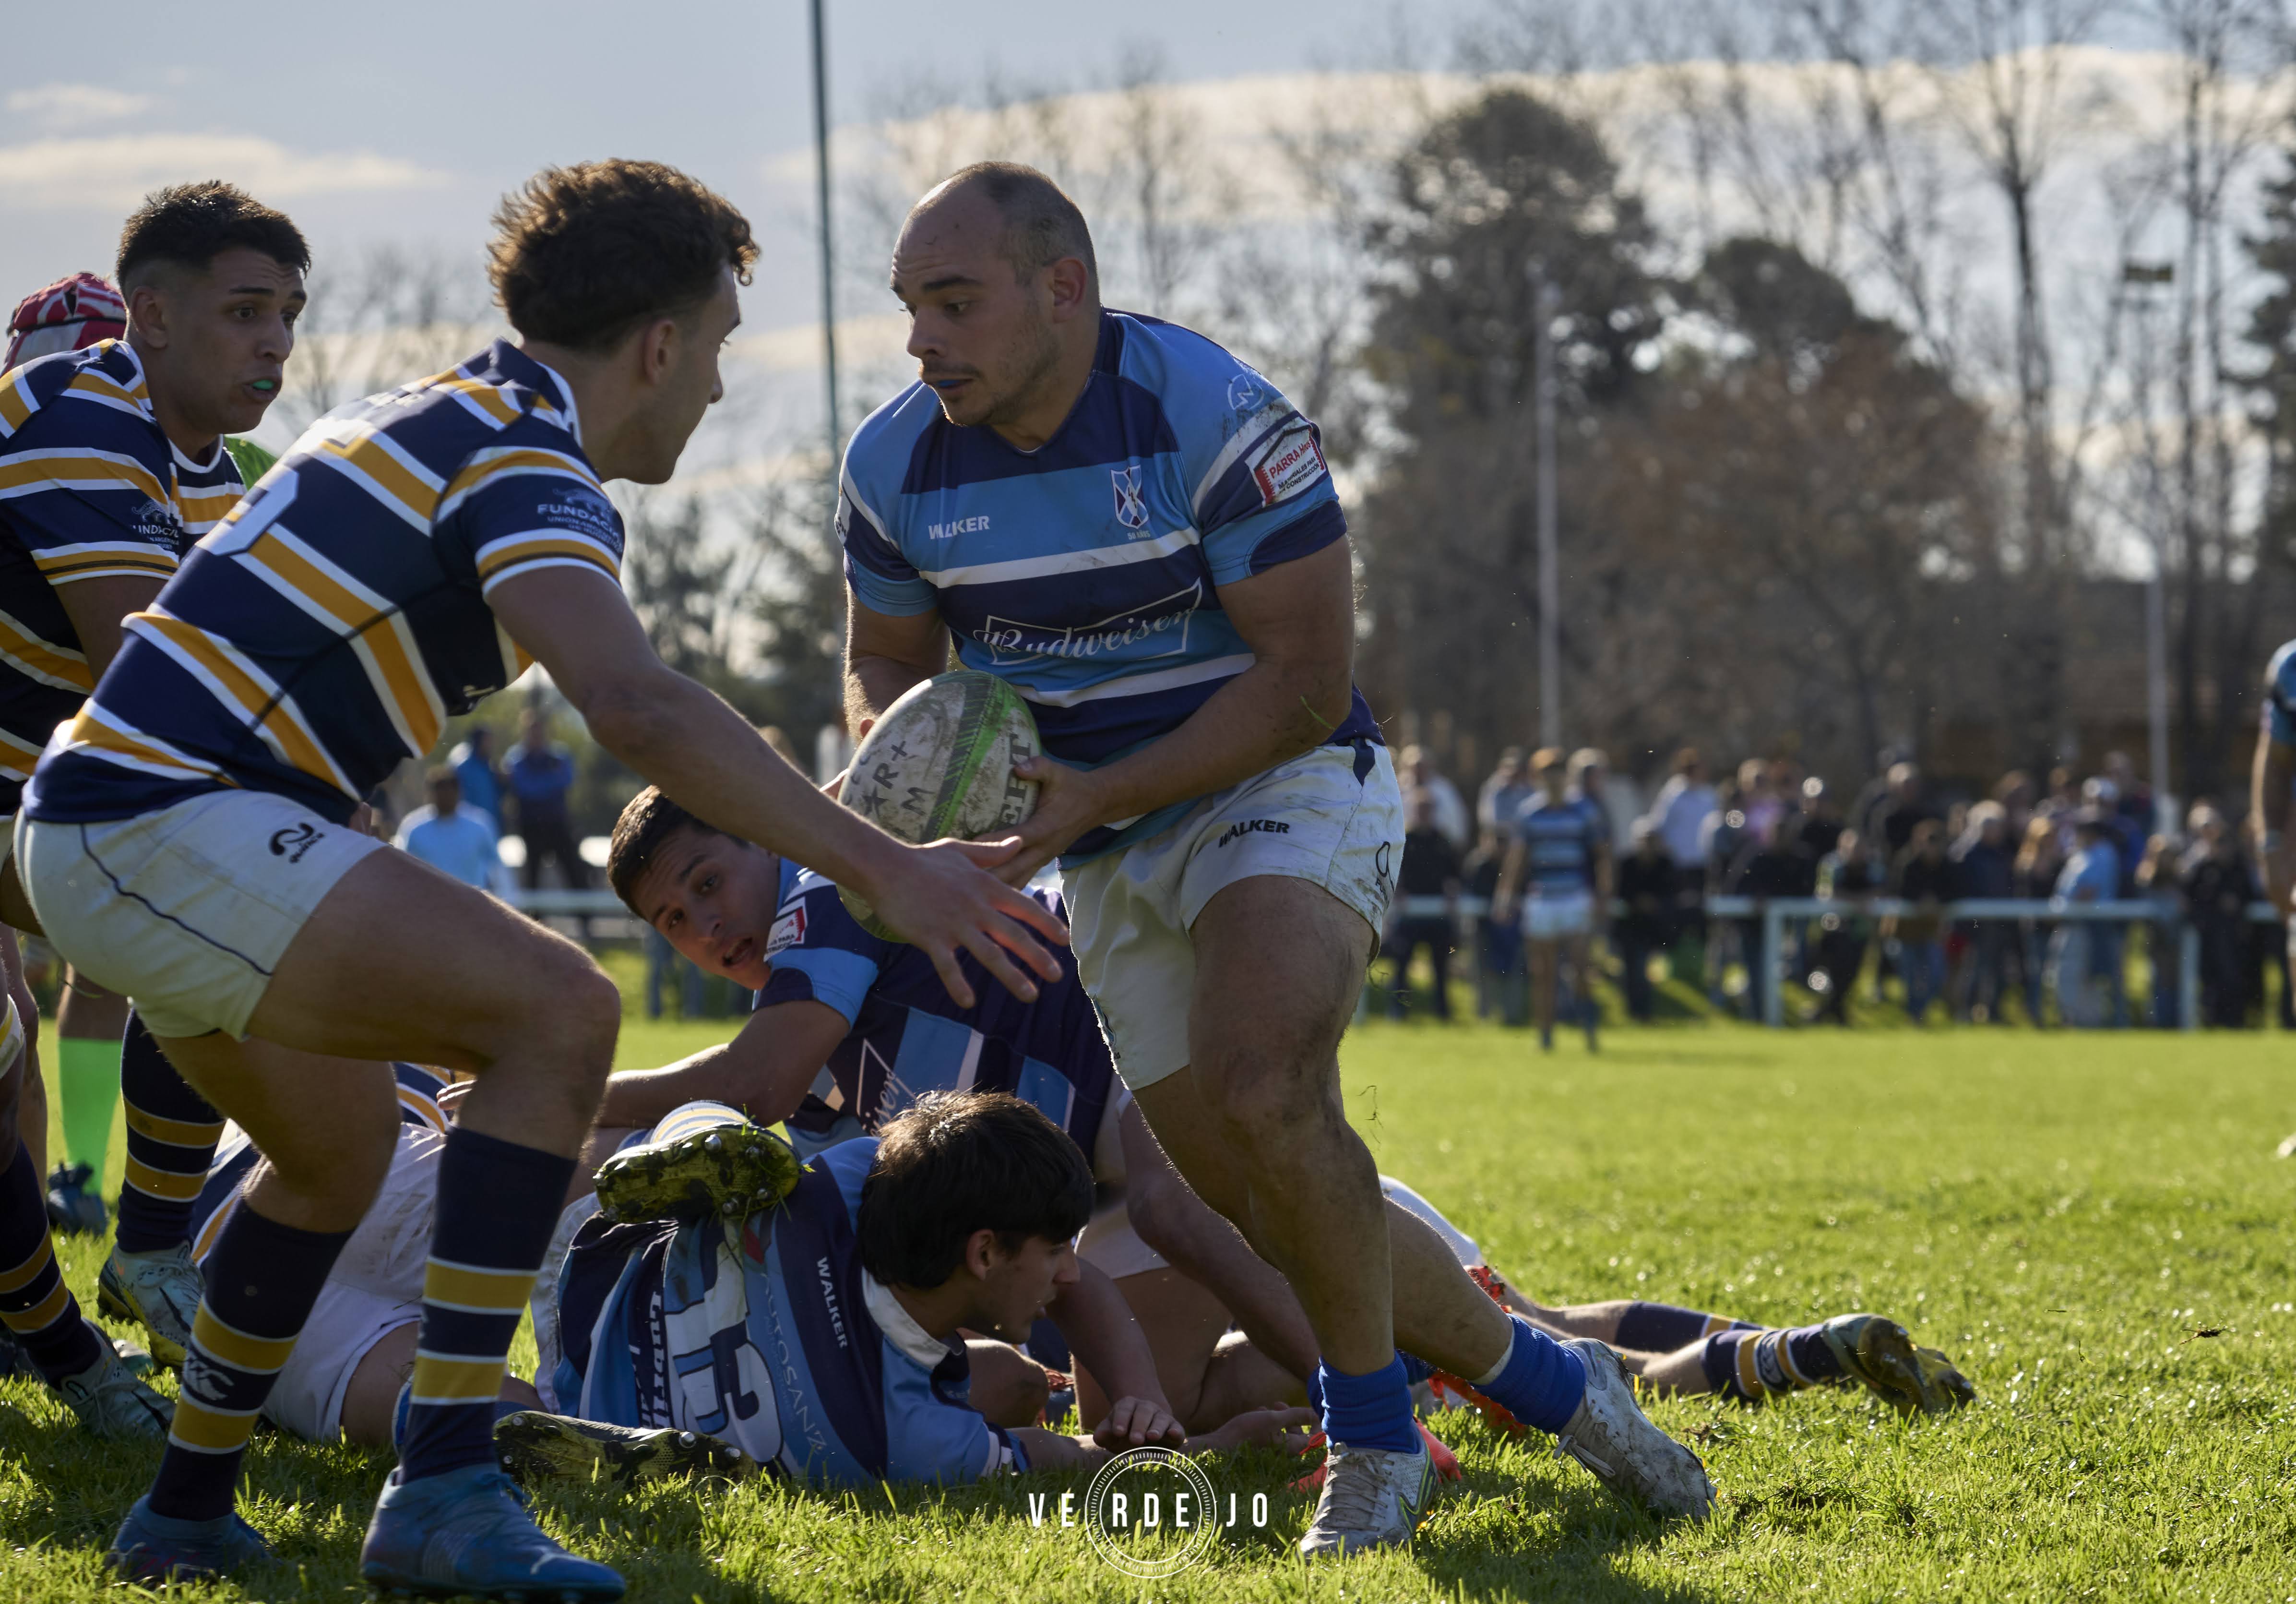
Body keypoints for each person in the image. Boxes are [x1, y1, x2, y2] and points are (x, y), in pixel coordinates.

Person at [20, 159, 1065, 1594]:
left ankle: (183, 1513)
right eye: (716, 347)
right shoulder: (525, 448)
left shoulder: (450, 413)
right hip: (160, 819)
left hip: (121, 826)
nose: (716, 387)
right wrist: (888, 867)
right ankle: (445, 1484)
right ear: (658, 345)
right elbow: (632, 705)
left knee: (331, 1162)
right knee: (561, 1011)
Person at [836, 161, 1711, 1554]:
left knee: (1265, 1085)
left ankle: (1373, 1442)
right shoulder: (895, 465)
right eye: (907, 306)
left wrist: (1090, 792)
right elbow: (883, 660)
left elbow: (1304, 678)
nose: (919, 339)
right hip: (1100, 842)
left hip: (1281, 780)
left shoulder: (1215, 417)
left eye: (953, 302)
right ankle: (1557, 1380)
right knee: (1254, 1197)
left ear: (1063, 289)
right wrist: (909, 758)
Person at [592, 790, 1973, 1440]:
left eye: (709, 880)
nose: (703, 923)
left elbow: (748, 1083)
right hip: (1149, 1189)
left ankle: (1381, 1412)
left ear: (767, 840)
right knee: (1505, 1330)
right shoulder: (821, 1035)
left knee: (1437, 1340)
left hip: (1168, 1115)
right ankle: (1774, 1350)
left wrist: (575, 1100)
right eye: (670, 917)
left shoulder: (828, 905)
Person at [0, 191, 339, 1444]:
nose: (275, 342)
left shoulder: (213, 468)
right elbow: (160, 689)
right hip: (40, 801)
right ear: (147, 314)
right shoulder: (81, 416)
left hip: (38, 801)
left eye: (288, 314)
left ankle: (143, 1251)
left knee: (223, 908)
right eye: (245, 311)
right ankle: (72, 1343)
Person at [515, 1091, 1313, 1490]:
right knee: (1016, 1386)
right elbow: (1064, 1455)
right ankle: (543, 1431)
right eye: (1056, 1251)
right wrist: (1206, 1446)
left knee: (1022, 1382)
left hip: (605, 1254)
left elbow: (1072, 1296)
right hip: (620, 1406)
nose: (1072, 1271)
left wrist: (1146, 1403)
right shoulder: (906, 1440)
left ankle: (700, 1138)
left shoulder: (852, 1180)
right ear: (983, 1252)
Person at [1496, 748, 1610, 1052]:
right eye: (1548, 774)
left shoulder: (1583, 810)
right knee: (1543, 972)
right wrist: (1505, 895)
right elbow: (1518, 859)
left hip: (1575, 897)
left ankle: (1588, 1028)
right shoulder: (1529, 813)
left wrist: (1603, 893)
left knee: (1581, 968)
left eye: (1559, 773)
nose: (1554, 780)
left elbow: (1601, 855)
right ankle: (1545, 1034)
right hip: (1542, 899)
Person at [1383, 790, 1461, 1020]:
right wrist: (1399, 890)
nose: (1425, 814)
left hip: (1437, 913)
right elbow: (1392, 871)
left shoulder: (1443, 840)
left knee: (1441, 966)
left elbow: (1455, 875)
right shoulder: (1404, 839)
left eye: (1428, 809)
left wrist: (1452, 891)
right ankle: (1398, 1010)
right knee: (1402, 963)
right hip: (1409, 913)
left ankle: (1442, 1012)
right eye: (1421, 809)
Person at [2051, 810, 2123, 1029]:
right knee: (2071, 975)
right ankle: (2076, 1020)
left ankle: (2085, 1023)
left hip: (2087, 925)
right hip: (2076, 923)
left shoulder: (2102, 854)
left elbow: (2088, 892)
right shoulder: (2083, 853)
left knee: (2084, 977)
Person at [393, 766, 508, 894]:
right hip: (428, 901)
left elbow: (497, 867)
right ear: (430, 794)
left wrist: (507, 897)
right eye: (440, 792)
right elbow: (400, 867)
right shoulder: (413, 827)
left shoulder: (479, 824)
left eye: (449, 792)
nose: (445, 798)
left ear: (459, 792)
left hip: (471, 901)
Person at [507, 706, 584, 890]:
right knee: (532, 877)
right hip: (531, 825)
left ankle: (584, 909)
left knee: (575, 872)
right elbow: (524, 788)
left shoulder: (559, 756)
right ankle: (531, 910)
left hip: (558, 823)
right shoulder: (517, 758)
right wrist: (549, 782)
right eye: (532, 731)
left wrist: (539, 783)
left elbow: (567, 779)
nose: (537, 735)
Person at [1888, 820, 1952, 1024]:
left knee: (1936, 975)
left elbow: (1953, 892)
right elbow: (1898, 892)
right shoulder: (1907, 864)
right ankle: (1913, 1015)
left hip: (1932, 930)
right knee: (1909, 977)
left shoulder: (1947, 866)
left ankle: (1919, 1012)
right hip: (1906, 931)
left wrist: (1936, 902)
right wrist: (1921, 901)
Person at [1613, 822, 1675, 1022]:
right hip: (1630, 927)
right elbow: (1620, 892)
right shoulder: (1627, 864)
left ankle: (1643, 1012)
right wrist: (1638, 902)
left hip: (1655, 928)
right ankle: (1637, 1013)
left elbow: (1672, 893)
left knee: (1643, 970)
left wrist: (1655, 904)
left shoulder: (1666, 864)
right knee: (1634, 970)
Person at [450, 725, 506, 833]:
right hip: (469, 828)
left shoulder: (491, 767)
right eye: (487, 741)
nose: (491, 745)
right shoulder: (462, 769)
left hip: (492, 825)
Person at [1476, 747, 1530, 835]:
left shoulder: (1529, 789)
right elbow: (1488, 819)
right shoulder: (1492, 787)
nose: (1511, 772)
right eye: (1507, 767)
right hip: (1498, 836)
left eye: (1515, 768)